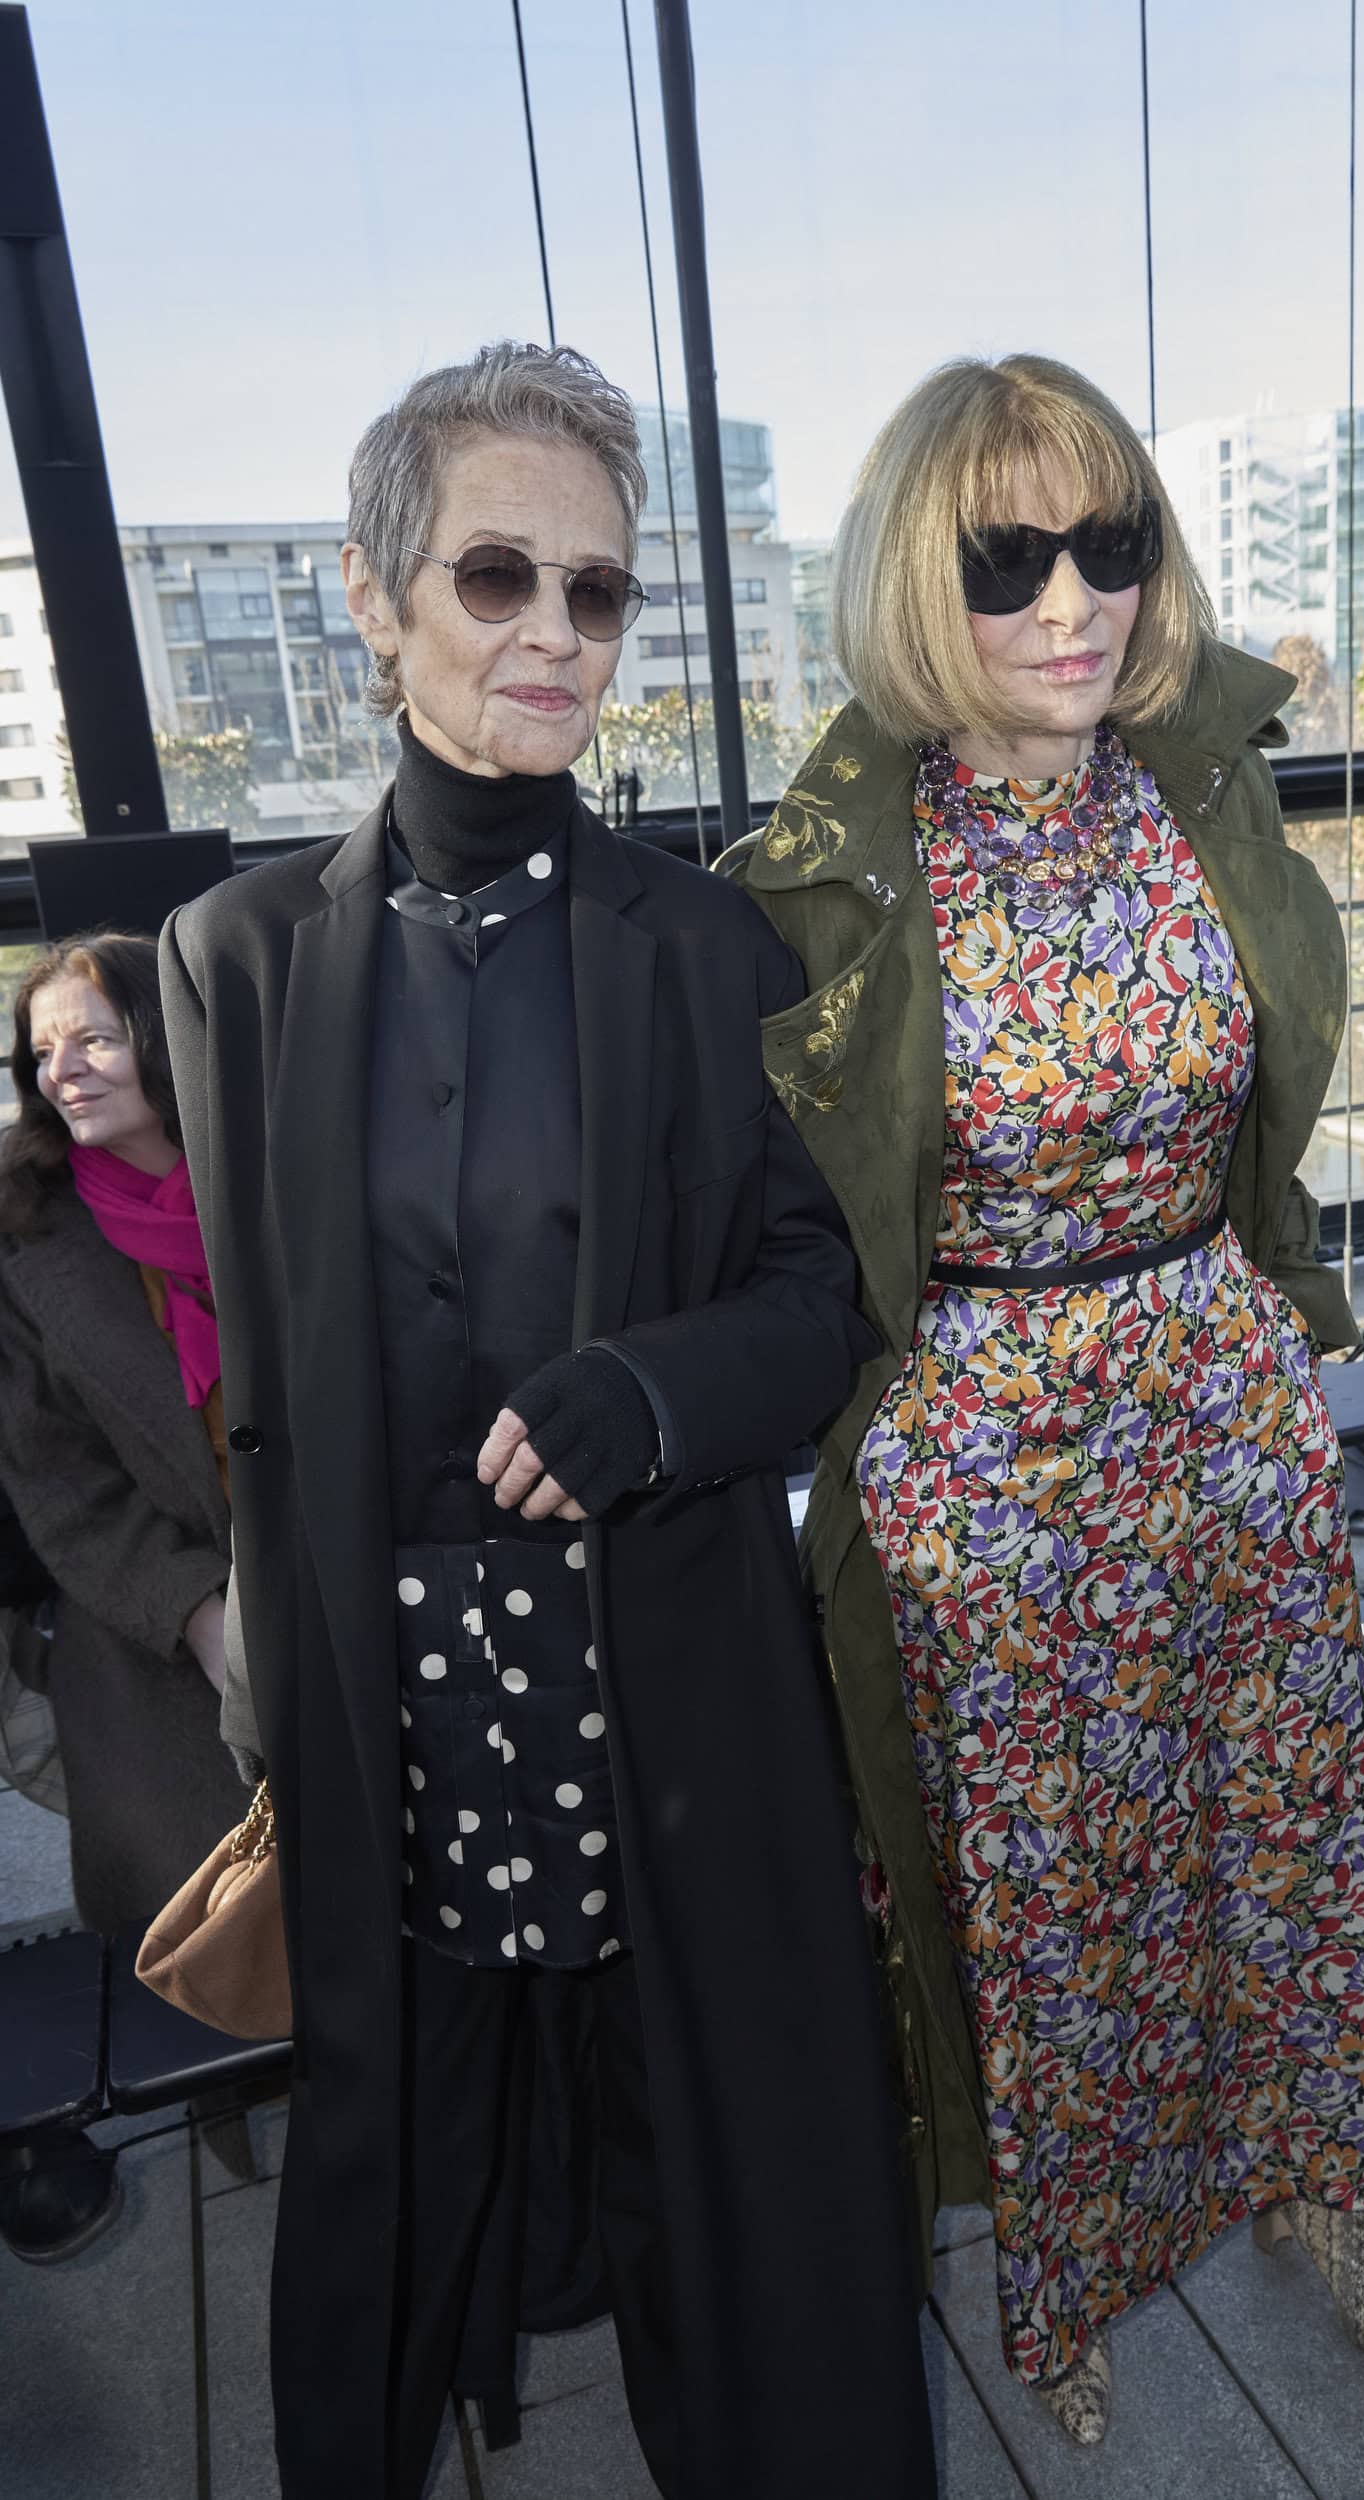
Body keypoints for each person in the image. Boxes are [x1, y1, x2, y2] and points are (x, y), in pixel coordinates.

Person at [159, 340, 934, 2500]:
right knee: (408, 2134)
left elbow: (826, 1295)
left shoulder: (706, 944)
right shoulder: (232, 957)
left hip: (654, 1650)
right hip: (386, 1687)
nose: (555, 634)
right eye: (497, 575)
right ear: (372, 592)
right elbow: (268, 1378)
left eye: (597, 591)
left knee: (714, 2139)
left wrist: (649, 1390)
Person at [745, 353, 1364, 2446]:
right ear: (915, 574)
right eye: (1004, 558)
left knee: (1287, 1832)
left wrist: (1272, 1318)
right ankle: (1068, 2271)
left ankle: (1323, 2187)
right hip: (984, 1439)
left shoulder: (1196, 785)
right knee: (1054, 1886)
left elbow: (1264, 1101)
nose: (1070, 600)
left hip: (1214, 1386)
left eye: (1107, 541)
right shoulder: (835, 869)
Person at [0, 934, 244, 2259]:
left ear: (167, 1035)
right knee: (206, 1893)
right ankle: (246, 2068)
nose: (64, 1069)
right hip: (148, 1605)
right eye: (42, 1052)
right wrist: (197, 1609)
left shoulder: (278, 1169)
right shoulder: (24, 1233)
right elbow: (59, 1486)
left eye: (92, 1037)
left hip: (341, 1566)